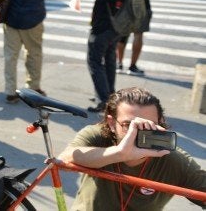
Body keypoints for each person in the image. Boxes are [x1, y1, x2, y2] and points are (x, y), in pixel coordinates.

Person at [58, 87, 205, 210]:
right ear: (111, 123)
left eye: (148, 125)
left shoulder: (171, 159)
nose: (137, 133)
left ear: (160, 123)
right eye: (128, 125)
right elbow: (64, 159)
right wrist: (119, 153)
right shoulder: (98, 136)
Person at [82, 0, 128, 113]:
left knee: (94, 61)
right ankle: (110, 96)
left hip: (102, 28)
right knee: (109, 61)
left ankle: (103, 100)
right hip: (116, 29)